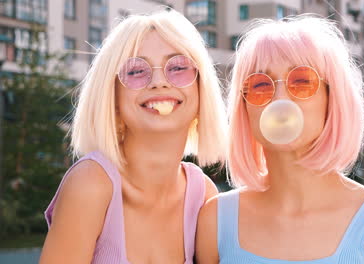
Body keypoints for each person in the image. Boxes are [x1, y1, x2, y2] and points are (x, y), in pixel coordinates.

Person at [196, 16, 364, 263]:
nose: (280, 98)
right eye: (260, 85)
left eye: (302, 81)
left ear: (332, 98)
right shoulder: (215, 220)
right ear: (244, 107)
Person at [40, 8, 227, 264]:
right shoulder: (91, 184)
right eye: (136, 71)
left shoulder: (202, 193)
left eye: (179, 67)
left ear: (201, 88)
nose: (159, 82)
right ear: (112, 96)